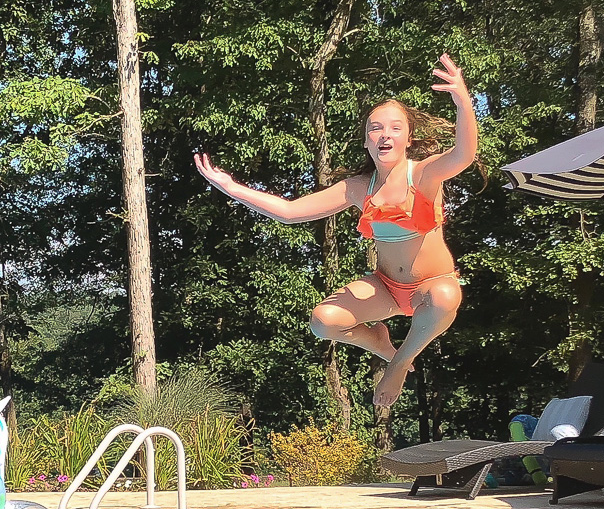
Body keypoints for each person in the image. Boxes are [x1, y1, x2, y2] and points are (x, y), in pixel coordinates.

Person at [194, 54, 478, 407]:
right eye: (375, 128)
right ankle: (377, 342)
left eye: (395, 127)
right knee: (323, 322)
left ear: (408, 138)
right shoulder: (359, 188)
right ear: (366, 141)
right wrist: (232, 187)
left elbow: (464, 154)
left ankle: (399, 363)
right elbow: (290, 212)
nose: (384, 135)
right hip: (388, 288)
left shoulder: (423, 175)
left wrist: (463, 100)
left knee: (445, 298)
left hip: (432, 287)